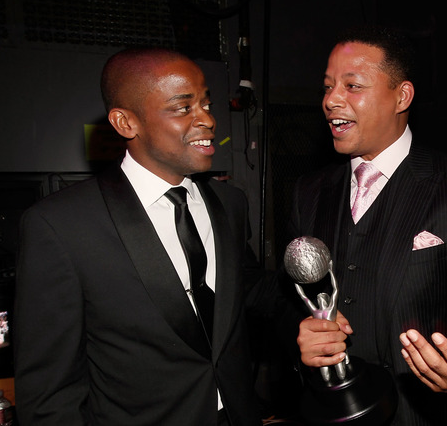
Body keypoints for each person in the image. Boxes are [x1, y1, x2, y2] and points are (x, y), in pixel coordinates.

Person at [14, 48, 262, 425]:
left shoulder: (231, 204)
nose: (208, 119)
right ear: (126, 123)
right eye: (183, 107)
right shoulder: (60, 226)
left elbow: (248, 293)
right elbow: (50, 395)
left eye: (206, 103)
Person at [283, 25, 447, 425]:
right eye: (327, 86)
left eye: (352, 86)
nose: (331, 100)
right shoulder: (308, 191)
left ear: (401, 96)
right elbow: (289, 303)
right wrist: (300, 336)